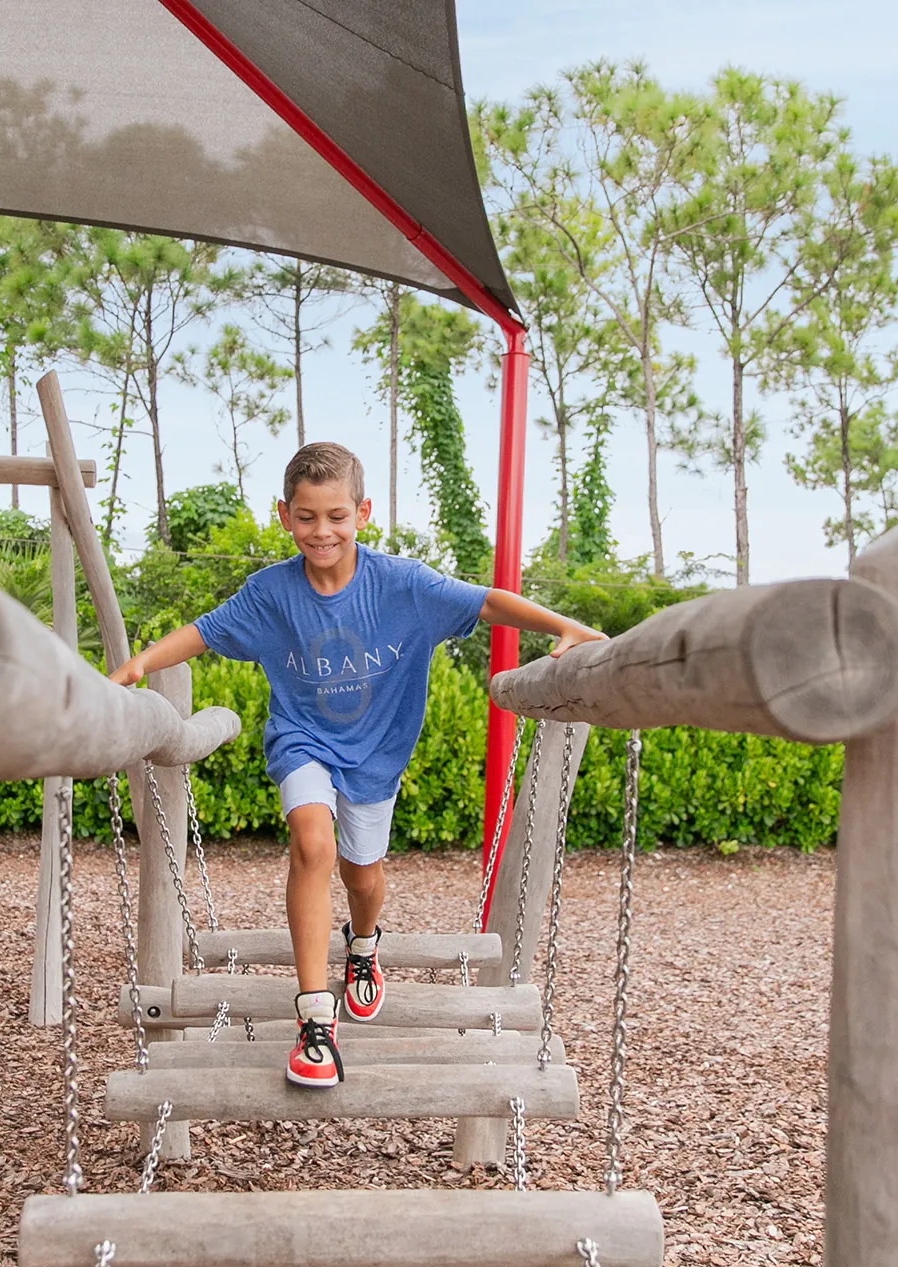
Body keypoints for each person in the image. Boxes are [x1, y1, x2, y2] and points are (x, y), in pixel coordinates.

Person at [108, 442, 605, 1088]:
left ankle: (364, 944)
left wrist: (563, 624)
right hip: (303, 740)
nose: (323, 531)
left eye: (336, 515)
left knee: (361, 874)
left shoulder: (403, 585)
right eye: (308, 516)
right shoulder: (271, 594)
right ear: (284, 515)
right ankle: (315, 1021)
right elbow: (204, 630)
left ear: (363, 512)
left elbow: (486, 601)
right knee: (311, 846)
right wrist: (140, 663)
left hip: (375, 753)